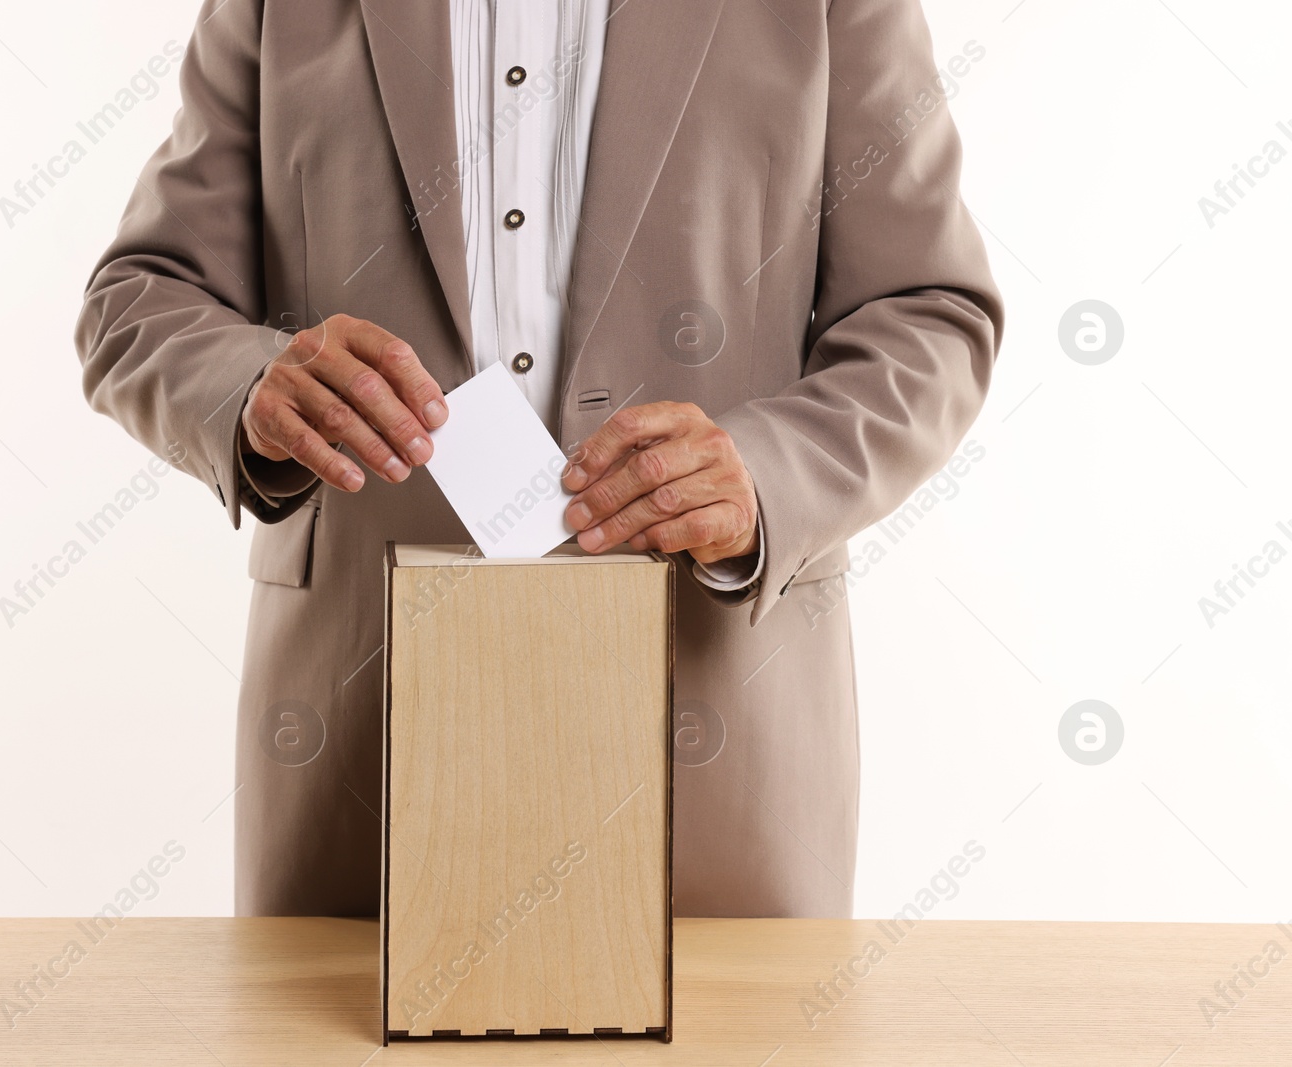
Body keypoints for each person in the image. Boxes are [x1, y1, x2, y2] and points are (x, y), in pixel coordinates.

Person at [75, 0, 1003, 918]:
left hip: (719, 744)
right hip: (359, 747)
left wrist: (766, 473)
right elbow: (138, 300)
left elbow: (930, 311)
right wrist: (253, 385)